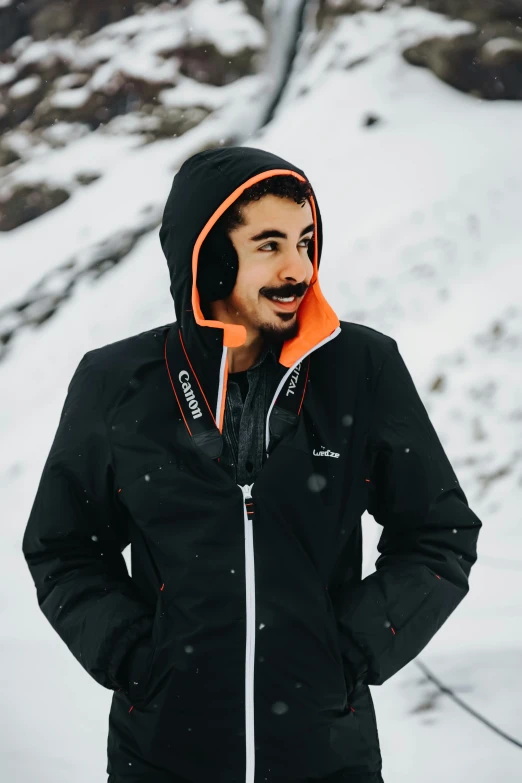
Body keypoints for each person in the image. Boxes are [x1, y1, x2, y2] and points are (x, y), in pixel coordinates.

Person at [22, 146, 481, 783]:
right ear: (208, 259)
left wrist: (346, 652)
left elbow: (439, 534)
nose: (298, 268)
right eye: (269, 245)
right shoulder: (117, 382)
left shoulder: (360, 369)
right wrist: (138, 661)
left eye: (306, 240)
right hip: (162, 757)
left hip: (326, 758)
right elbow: (64, 547)